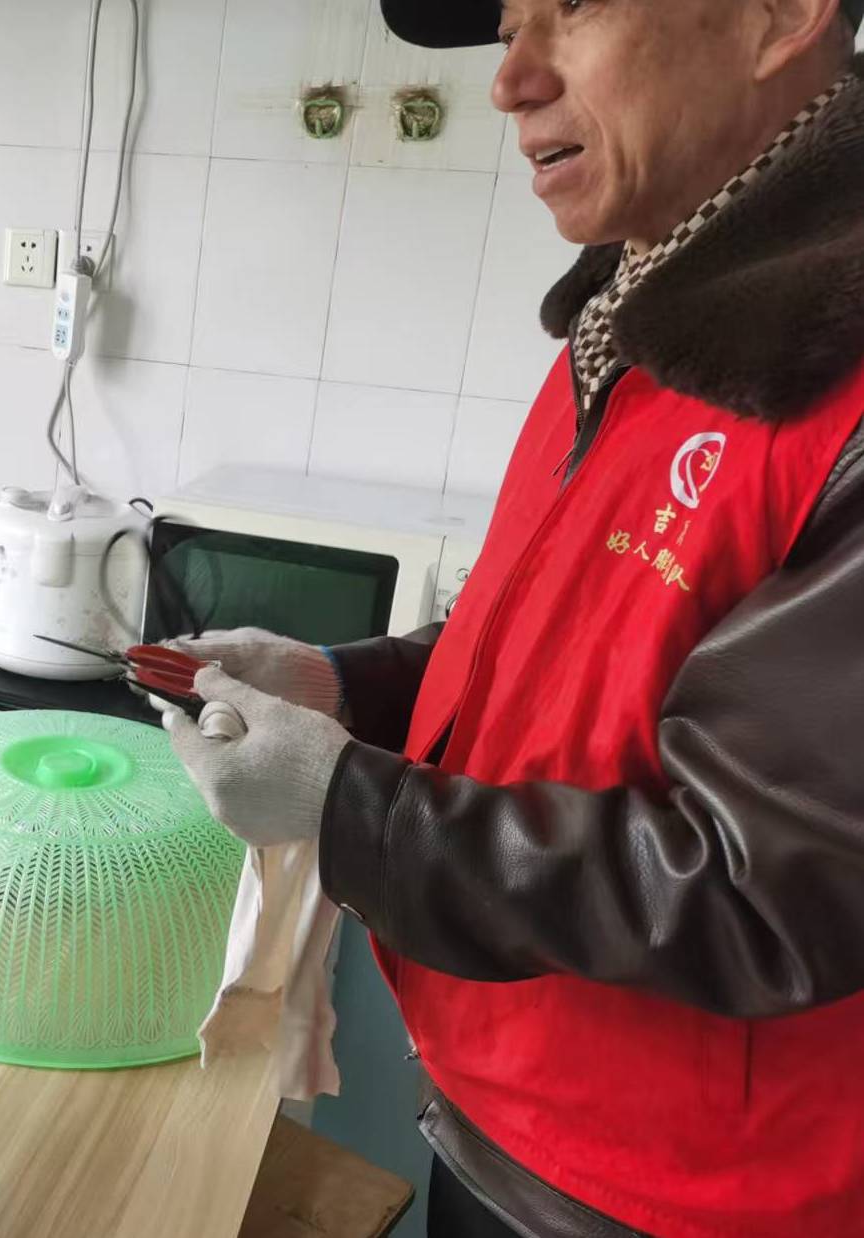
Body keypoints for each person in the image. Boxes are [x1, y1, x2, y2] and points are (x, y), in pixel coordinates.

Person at [161, 0, 864, 1235]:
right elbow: (563, 650)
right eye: (506, 28)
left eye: (571, 9)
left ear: (780, 16)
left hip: (683, 1198)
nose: (511, 80)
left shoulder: (833, 375)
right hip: (508, 1114)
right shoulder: (634, 320)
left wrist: (347, 803)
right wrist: (347, 683)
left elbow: (765, 885)